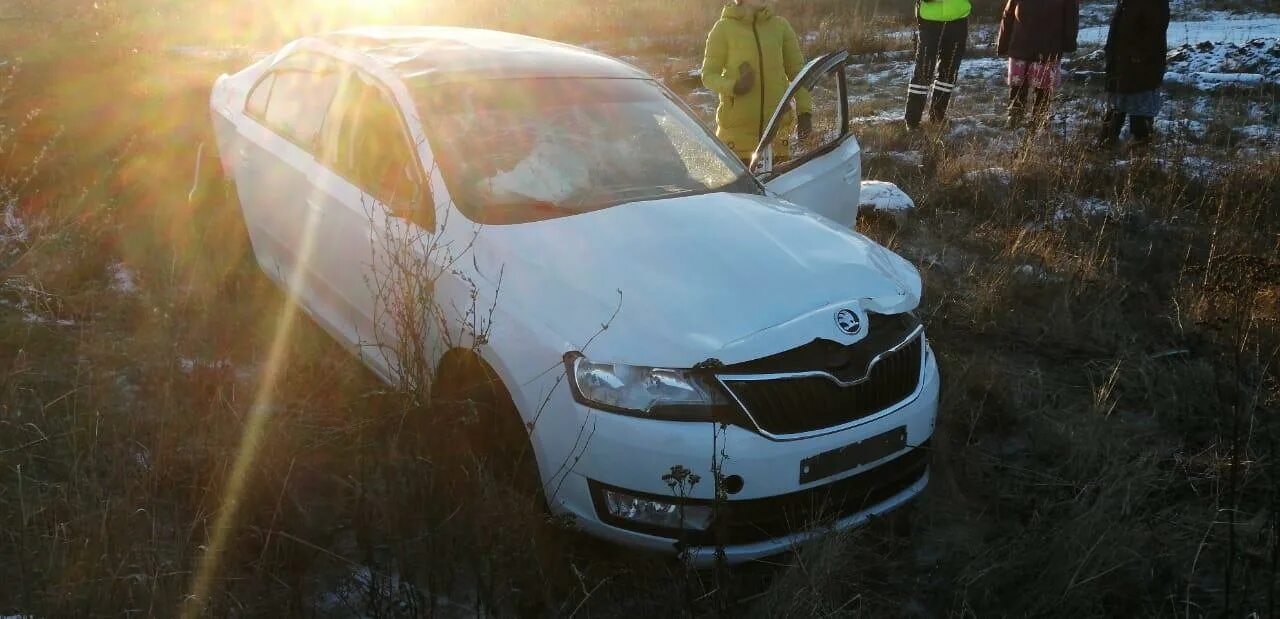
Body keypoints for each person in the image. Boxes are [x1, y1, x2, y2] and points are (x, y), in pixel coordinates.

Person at [701, 0, 812, 165]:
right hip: (736, 142)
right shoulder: (723, 29)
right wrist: (734, 86)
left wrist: (805, 112)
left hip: (775, 140)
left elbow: (798, 73)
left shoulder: (780, 26)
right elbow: (708, 75)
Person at [996, 0, 1079, 131]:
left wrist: (1003, 43)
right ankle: (1037, 121)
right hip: (1048, 46)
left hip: (1021, 43)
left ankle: (1015, 118)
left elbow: (1008, 14)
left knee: (1019, 86)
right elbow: (1071, 18)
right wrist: (1068, 44)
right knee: (1043, 89)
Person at [1098, 0, 1171, 149]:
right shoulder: (1126, 2)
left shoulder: (1153, 4)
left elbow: (1154, 32)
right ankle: (1105, 147)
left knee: (1139, 110)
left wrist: (1137, 56)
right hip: (1121, 64)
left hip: (1140, 67)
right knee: (1116, 106)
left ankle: (1139, 157)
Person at [906, 0, 972, 131]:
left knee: (949, 71)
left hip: (958, 16)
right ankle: (912, 122)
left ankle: (937, 117)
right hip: (929, 17)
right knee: (924, 69)